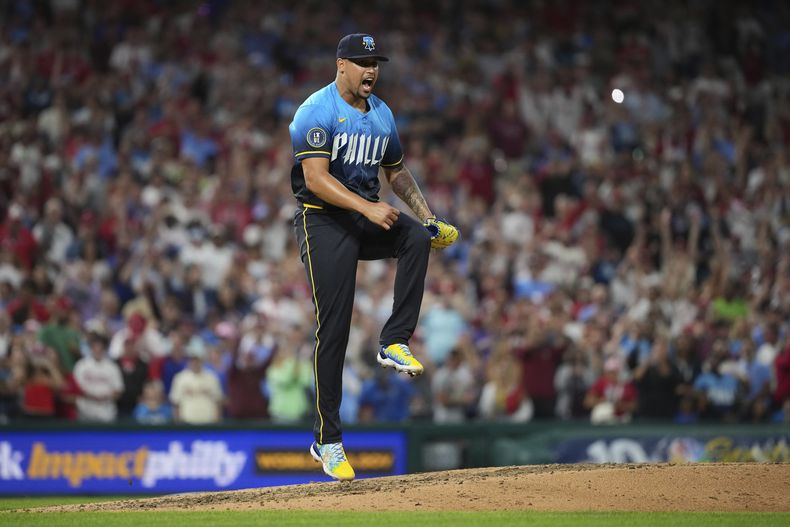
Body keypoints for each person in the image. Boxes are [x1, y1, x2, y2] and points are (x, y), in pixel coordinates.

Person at [288, 33, 458, 481]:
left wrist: (428, 217)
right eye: (363, 62)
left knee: (417, 239)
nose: (371, 70)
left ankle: (393, 341)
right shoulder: (315, 111)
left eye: (376, 62)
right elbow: (315, 177)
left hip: (364, 215)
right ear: (340, 64)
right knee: (335, 328)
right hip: (322, 220)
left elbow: (396, 171)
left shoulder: (381, 114)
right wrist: (366, 207)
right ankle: (327, 441)